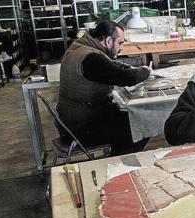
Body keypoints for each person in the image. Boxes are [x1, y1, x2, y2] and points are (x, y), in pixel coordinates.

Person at [56, 20, 151, 156]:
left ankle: (119, 157)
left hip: (74, 120)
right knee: (142, 125)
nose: (121, 48)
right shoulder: (91, 58)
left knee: (133, 117)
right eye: (120, 43)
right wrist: (146, 71)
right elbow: (126, 78)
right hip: (81, 127)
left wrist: (127, 68)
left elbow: (110, 65)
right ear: (108, 41)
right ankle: (119, 165)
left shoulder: (81, 46)